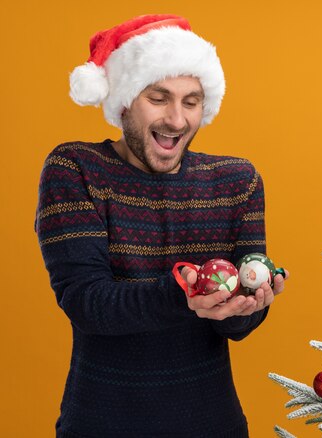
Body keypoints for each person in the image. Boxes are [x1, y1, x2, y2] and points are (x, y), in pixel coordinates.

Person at [35, 14, 287, 437]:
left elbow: (237, 328)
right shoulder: (76, 168)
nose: (176, 119)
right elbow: (86, 303)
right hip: (102, 424)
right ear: (125, 100)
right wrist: (187, 292)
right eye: (159, 97)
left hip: (214, 425)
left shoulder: (237, 181)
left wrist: (247, 303)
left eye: (191, 101)